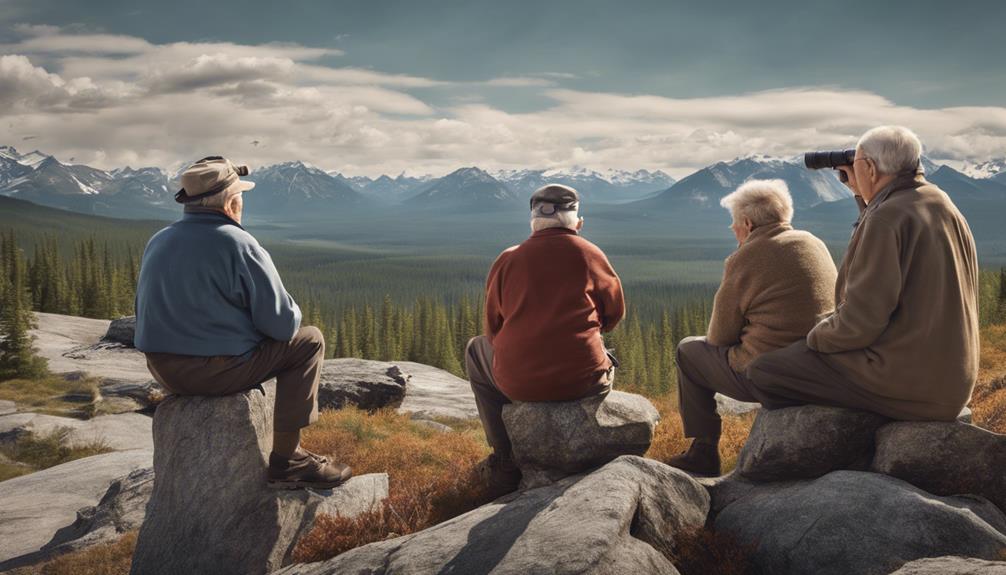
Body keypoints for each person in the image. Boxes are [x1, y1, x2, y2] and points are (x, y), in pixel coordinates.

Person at [135, 156, 351, 489]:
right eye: (241, 199)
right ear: (232, 203)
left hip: (162, 370)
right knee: (309, 341)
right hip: (215, 373)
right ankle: (288, 459)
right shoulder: (238, 243)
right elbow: (283, 327)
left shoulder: (158, 240)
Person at [746, 125, 979, 424]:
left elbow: (859, 324)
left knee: (765, 371)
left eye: (856, 164)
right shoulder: (941, 203)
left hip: (907, 386)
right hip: (950, 382)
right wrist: (863, 189)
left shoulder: (886, 218)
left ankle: (846, 445)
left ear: (868, 167)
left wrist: (814, 336)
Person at [668, 179, 838, 476]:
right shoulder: (814, 242)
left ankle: (703, 452)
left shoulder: (747, 255)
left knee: (689, 351)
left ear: (746, 223)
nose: (733, 230)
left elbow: (720, 336)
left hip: (770, 376)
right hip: (822, 372)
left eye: (734, 223)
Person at [465, 184, 625, 494]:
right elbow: (614, 315)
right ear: (576, 222)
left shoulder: (508, 260)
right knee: (603, 351)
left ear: (533, 222)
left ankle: (505, 461)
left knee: (476, 350)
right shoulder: (590, 253)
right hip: (583, 382)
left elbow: (492, 329)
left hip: (520, 384)